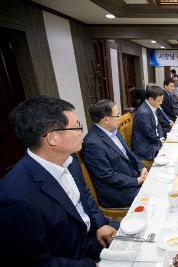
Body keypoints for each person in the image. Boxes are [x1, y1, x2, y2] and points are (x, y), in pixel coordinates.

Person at [0, 96, 116, 267]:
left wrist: (99, 225)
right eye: (77, 126)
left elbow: (84, 194)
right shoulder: (16, 197)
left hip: (92, 238)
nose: (81, 132)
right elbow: (37, 262)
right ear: (52, 138)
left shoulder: (69, 158)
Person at [81, 99, 148, 208]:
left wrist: (141, 168)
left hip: (132, 177)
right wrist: (136, 181)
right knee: (155, 197)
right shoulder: (92, 143)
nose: (119, 118)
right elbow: (107, 176)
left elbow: (129, 153)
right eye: (117, 115)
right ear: (106, 119)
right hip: (118, 191)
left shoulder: (113, 130)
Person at [132, 85, 166, 161]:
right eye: (159, 101)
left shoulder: (152, 107)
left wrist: (161, 138)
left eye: (162, 100)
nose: (161, 103)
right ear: (151, 99)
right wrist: (160, 142)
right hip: (146, 147)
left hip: (153, 141)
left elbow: (158, 125)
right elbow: (150, 133)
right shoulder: (144, 113)